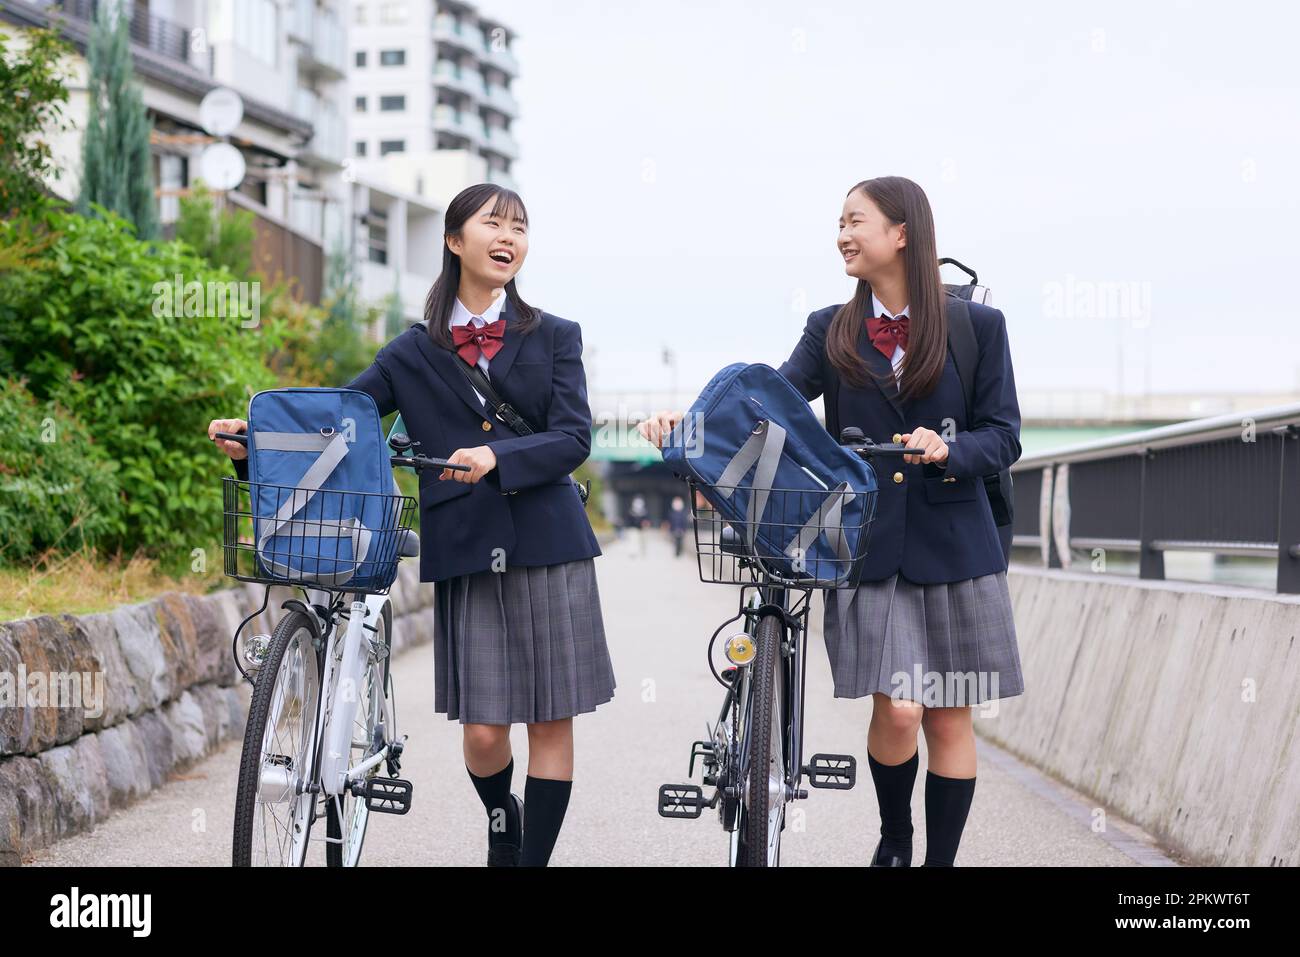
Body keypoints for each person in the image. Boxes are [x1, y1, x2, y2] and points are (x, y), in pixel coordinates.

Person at [209, 183, 616, 867]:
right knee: (485, 731)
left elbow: (575, 438)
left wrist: (497, 454)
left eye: (519, 226)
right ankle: (500, 816)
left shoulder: (555, 336)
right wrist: (258, 443)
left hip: (550, 540)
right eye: (493, 223)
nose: (508, 236)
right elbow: (343, 423)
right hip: (466, 547)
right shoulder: (410, 352)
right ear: (455, 240)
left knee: (551, 717)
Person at [639, 175, 1024, 867]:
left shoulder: (978, 328)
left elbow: (1003, 435)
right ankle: (896, 833)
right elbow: (771, 406)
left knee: (947, 713)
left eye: (856, 220)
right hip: (867, 543)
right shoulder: (832, 327)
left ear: (902, 233)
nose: (843, 234)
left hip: (959, 545)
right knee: (901, 709)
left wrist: (951, 447)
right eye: (840, 222)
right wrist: (687, 425)